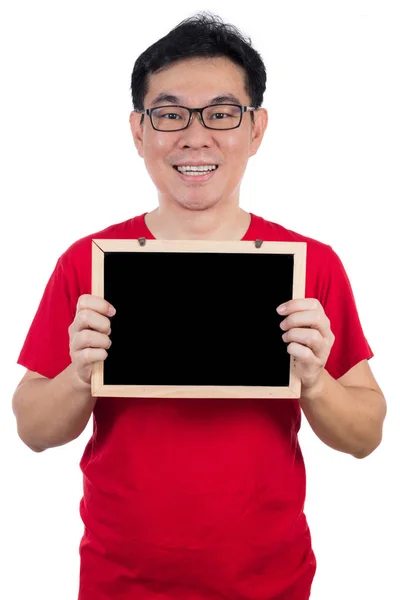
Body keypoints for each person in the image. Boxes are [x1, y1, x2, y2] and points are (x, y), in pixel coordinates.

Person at [12, 11, 386, 600]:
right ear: (138, 131)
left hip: (270, 583)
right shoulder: (86, 263)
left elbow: (366, 435)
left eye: (221, 113)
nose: (195, 136)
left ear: (256, 129)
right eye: (168, 114)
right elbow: (32, 429)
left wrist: (315, 383)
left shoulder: (311, 264)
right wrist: (80, 374)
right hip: (119, 582)